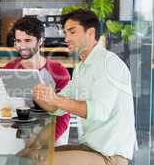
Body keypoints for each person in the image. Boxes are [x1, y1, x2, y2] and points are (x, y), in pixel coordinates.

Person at [25, 9, 136, 165]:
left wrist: (55, 99)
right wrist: (36, 93)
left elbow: (99, 112)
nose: (66, 38)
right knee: (26, 156)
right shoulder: (82, 68)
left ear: (90, 33)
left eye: (72, 32)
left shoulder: (108, 63)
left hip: (110, 155)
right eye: (65, 33)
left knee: (38, 162)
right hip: (89, 147)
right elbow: (56, 108)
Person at [4, 16, 71, 143]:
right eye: (18, 40)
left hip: (51, 135)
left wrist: (42, 143)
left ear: (40, 41)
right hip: (19, 135)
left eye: (28, 40)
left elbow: (64, 115)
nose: (22, 46)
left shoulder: (59, 72)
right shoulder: (9, 69)